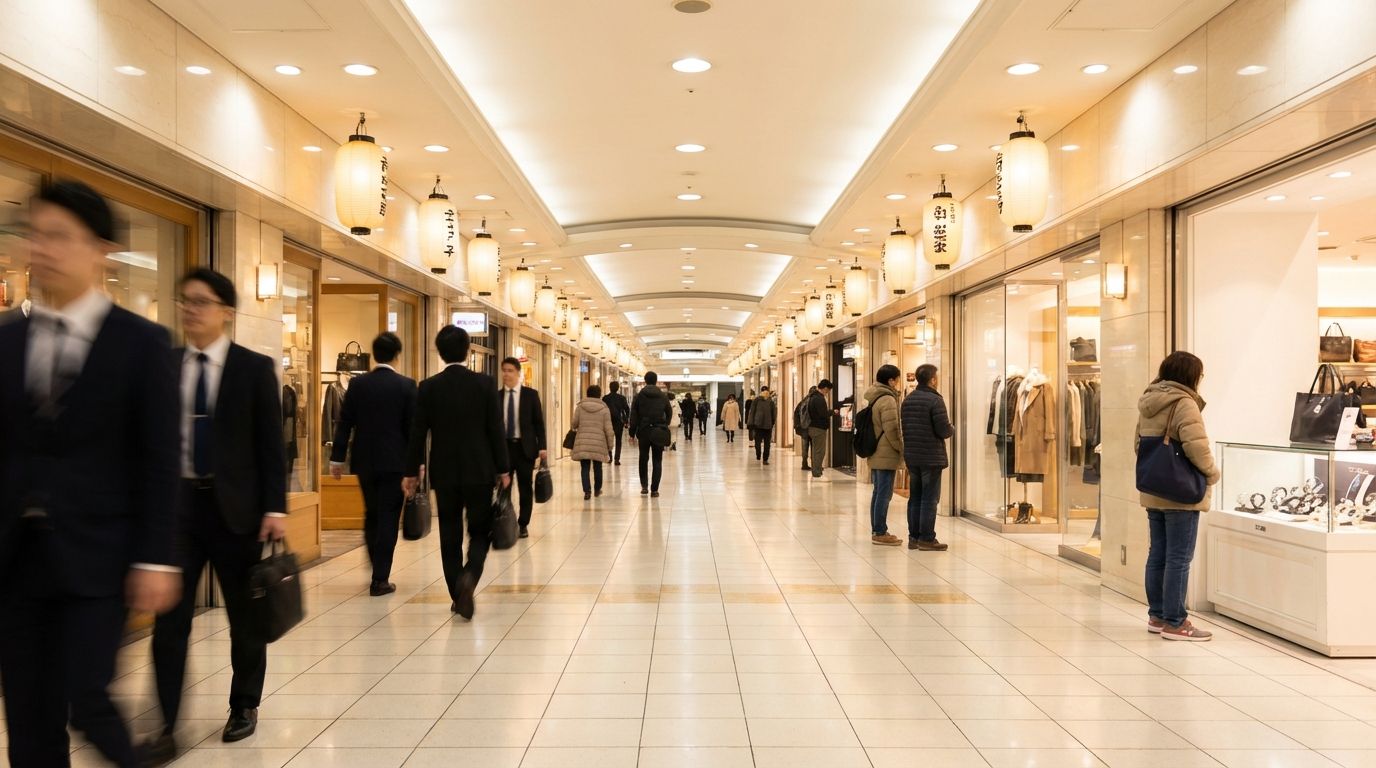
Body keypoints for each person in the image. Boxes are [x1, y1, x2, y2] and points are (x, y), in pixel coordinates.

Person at [0, 180, 181, 768]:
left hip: (98, 556)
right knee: (28, 718)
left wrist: (157, 557)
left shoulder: (142, 344)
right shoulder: (7, 340)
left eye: (60, 237)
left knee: (86, 698)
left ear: (100, 250)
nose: (42, 248)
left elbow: (158, 459)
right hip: (15, 560)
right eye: (35, 235)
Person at [151, 267, 288, 755]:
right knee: (170, 620)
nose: (190, 309)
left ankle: (244, 705)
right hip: (178, 510)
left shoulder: (253, 368)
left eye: (201, 302)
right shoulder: (164, 365)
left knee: (244, 617)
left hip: (238, 511)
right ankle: (167, 721)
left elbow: (272, 445)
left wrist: (276, 505)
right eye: (184, 300)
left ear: (227, 312)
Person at [403, 326, 510, 620]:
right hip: (480, 471)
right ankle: (470, 577)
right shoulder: (485, 384)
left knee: (449, 534)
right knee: (479, 531)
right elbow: (495, 430)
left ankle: (456, 592)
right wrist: (503, 468)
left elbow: (417, 433)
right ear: (468, 351)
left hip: (445, 473)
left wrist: (411, 472)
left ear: (440, 352)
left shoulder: (428, 387)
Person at [1137, 351, 1219, 642]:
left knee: (1157, 554)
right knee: (1179, 558)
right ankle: (1176, 621)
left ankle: (1157, 615)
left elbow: (1139, 444)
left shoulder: (1149, 400)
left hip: (1154, 488)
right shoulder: (1184, 403)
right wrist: (1212, 473)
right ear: (1190, 375)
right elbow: (1197, 446)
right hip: (1181, 493)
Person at [329, 332, 416, 596]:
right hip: (395, 462)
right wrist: (416, 466)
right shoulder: (406, 386)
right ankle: (380, 578)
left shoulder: (358, 385)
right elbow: (413, 430)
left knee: (372, 513)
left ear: (374, 355)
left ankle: (374, 558)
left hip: (364, 461)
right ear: (397, 356)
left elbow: (345, 423)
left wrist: (337, 458)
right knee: (389, 516)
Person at [901, 364, 953, 551]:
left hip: (912, 456)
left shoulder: (908, 399)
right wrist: (952, 428)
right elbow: (944, 430)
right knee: (930, 499)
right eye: (936, 377)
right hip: (931, 456)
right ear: (932, 379)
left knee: (915, 497)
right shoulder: (935, 400)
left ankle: (913, 537)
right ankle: (927, 538)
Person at [499, 357, 547, 539]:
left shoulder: (530, 395)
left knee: (525, 487)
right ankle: (504, 520)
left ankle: (523, 523)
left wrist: (542, 447)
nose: (506, 374)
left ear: (518, 373)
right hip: (504, 449)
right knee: (504, 488)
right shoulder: (497, 396)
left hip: (524, 449)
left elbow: (538, 424)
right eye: (504, 370)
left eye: (510, 370)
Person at [866, 365, 904, 546]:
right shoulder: (888, 399)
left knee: (878, 491)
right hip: (886, 452)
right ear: (891, 380)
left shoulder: (874, 395)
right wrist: (900, 448)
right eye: (897, 378)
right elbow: (892, 429)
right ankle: (880, 531)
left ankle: (877, 528)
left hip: (875, 450)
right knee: (884, 493)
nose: (898, 382)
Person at [630, 371, 673, 497]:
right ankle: (655, 489)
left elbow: (634, 415)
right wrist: (665, 424)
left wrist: (632, 432)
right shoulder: (663, 396)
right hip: (659, 430)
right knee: (657, 460)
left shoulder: (639, 396)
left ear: (645, 380)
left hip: (643, 431)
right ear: (655, 381)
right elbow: (669, 412)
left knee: (643, 458)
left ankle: (644, 486)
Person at [572, 384, 615, 500]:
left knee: (584, 467)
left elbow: (574, 424)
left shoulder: (580, 407)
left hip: (583, 441)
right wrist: (610, 446)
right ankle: (597, 489)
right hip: (599, 442)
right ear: (599, 395)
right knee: (598, 466)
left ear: (587, 394)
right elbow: (608, 429)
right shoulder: (604, 409)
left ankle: (587, 491)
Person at [806, 380, 834, 481]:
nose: (828, 393)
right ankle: (817, 474)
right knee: (819, 452)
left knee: (815, 451)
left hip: (813, 427)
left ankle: (816, 472)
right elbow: (823, 414)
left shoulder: (812, 396)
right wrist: (833, 412)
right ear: (825, 388)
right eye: (828, 391)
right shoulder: (819, 398)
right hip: (818, 428)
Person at [603, 380, 630, 465]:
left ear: (609, 388)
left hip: (608, 421)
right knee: (618, 440)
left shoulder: (605, 398)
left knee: (608, 439)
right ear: (618, 388)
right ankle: (617, 459)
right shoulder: (621, 398)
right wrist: (626, 420)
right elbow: (627, 409)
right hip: (619, 421)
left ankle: (610, 457)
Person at [748, 386, 777, 465]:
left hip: (759, 425)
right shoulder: (769, 401)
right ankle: (764, 459)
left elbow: (752, 412)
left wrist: (751, 422)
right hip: (766, 425)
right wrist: (772, 422)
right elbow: (774, 413)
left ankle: (759, 455)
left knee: (759, 441)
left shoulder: (757, 400)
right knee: (766, 443)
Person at [796, 385, 818, 471]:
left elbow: (796, 414)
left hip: (803, 428)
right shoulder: (814, 401)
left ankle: (804, 464)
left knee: (805, 447)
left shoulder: (803, 401)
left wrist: (798, 426)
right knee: (814, 447)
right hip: (812, 427)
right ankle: (814, 465)